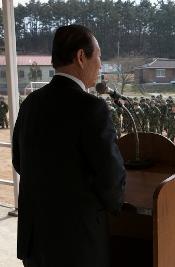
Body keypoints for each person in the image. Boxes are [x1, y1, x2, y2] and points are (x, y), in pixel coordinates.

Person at [12, 25, 126, 267]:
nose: (101, 65)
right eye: (99, 57)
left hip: (36, 240)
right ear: (81, 57)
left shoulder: (31, 102)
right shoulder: (91, 108)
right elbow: (110, 179)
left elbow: (18, 161)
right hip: (76, 244)